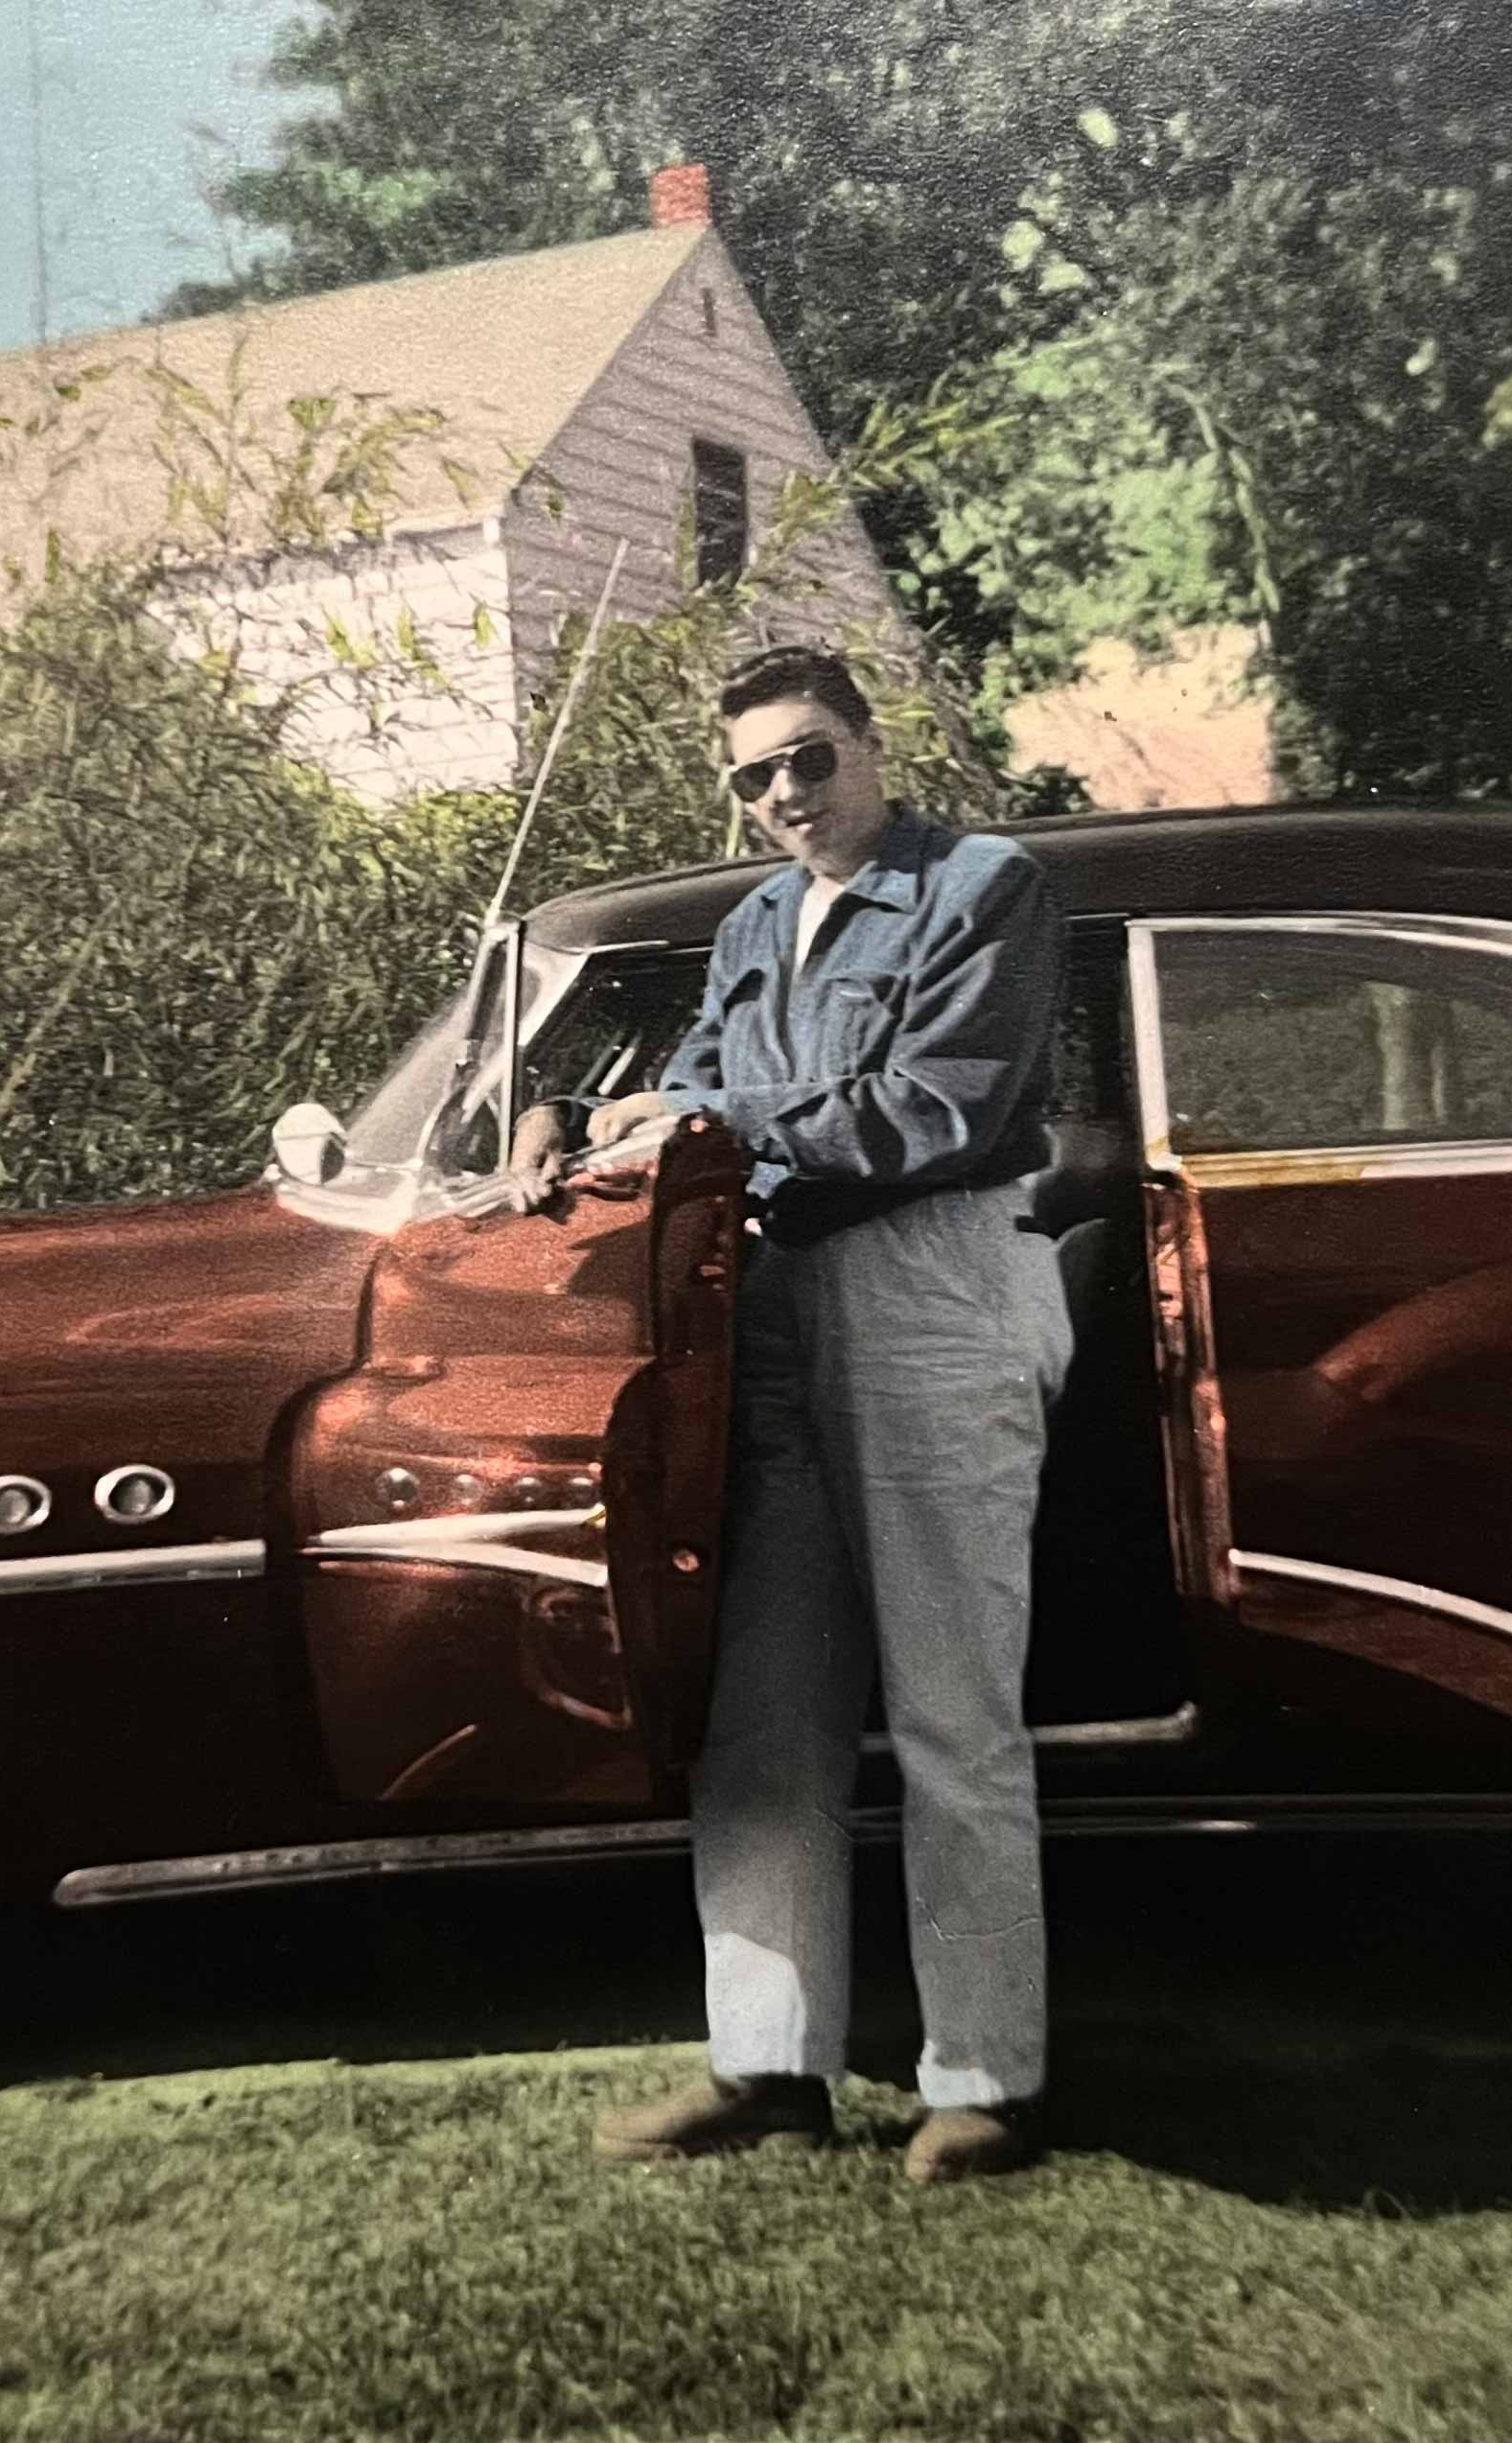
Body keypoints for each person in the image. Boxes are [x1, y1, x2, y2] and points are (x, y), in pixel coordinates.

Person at [547, 643, 1070, 2184]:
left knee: (950, 1711)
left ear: (869, 744)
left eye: (809, 759)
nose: (784, 796)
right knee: (759, 1717)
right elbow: (696, 1085)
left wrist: (714, 1116)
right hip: (769, 1315)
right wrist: (574, 1125)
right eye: (754, 777)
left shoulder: (985, 886)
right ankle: (768, 2064)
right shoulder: (757, 924)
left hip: (932, 1291)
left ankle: (986, 2078)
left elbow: (939, 1108)